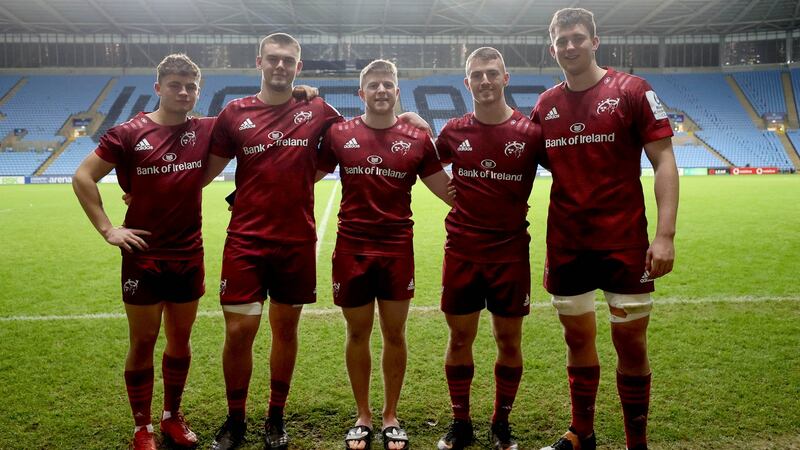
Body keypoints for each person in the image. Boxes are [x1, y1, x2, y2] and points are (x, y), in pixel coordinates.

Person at [204, 34, 430, 450]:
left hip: (295, 239)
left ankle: (275, 418)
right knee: (238, 332)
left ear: (298, 67)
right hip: (245, 239)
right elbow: (202, 170)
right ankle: (235, 419)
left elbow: (358, 132)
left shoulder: (318, 109)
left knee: (285, 331)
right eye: (272, 59)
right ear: (259, 61)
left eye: (288, 60)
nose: (280, 66)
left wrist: (411, 119)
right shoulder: (235, 112)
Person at [532, 8, 679, 450]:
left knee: (630, 343)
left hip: (624, 241)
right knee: (576, 338)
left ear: (595, 41)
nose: (570, 46)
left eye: (578, 37)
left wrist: (665, 235)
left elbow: (664, 160)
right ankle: (582, 433)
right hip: (567, 242)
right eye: (562, 40)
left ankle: (637, 442)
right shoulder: (546, 105)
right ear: (552, 47)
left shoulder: (632, 90)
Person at [72, 54, 210, 450]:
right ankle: (142, 426)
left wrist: (301, 94)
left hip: (188, 253)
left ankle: (171, 417)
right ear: (158, 88)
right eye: (175, 85)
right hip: (143, 255)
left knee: (180, 340)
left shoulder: (204, 131)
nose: (183, 92)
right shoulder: (127, 133)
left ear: (197, 91)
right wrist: (107, 228)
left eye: (190, 86)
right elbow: (83, 176)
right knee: (144, 340)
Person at [316, 59, 453, 450]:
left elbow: (448, 192)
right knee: (357, 332)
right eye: (373, 85)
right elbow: (300, 174)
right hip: (351, 249)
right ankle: (363, 415)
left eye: (387, 85)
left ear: (397, 91)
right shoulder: (340, 134)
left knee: (395, 333)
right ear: (361, 93)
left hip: (396, 250)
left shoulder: (416, 137)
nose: (380, 91)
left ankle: (391, 415)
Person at [434, 47, 545, 450]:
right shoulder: (452, 132)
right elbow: (423, 161)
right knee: (459, 339)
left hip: (511, 253)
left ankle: (501, 423)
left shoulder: (531, 134)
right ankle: (460, 422)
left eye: (491, 73)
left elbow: (571, 165)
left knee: (509, 341)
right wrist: (408, 120)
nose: (484, 80)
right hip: (462, 249)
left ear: (505, 78)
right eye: (477, 74)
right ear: (467, 82)